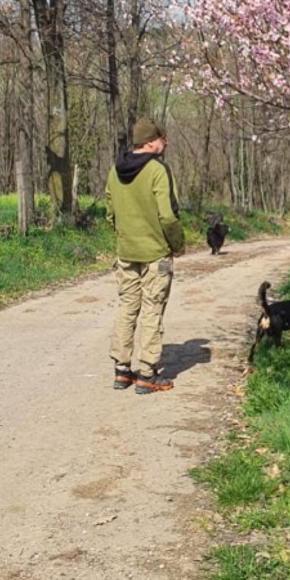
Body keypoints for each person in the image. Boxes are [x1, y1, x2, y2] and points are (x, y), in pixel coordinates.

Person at [106, 117, 185, 394]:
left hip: (126, 252)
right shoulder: (157, 171)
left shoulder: (115, 170)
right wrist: (177, 244)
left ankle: (122, 371)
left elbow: (110, 211)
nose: (166, 142)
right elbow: (168, 215)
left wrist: (124, 235)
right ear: (151, 141)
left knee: (127, 307)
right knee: (152, 309)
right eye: (163, 138)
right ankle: (148, 373)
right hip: (156, 255)